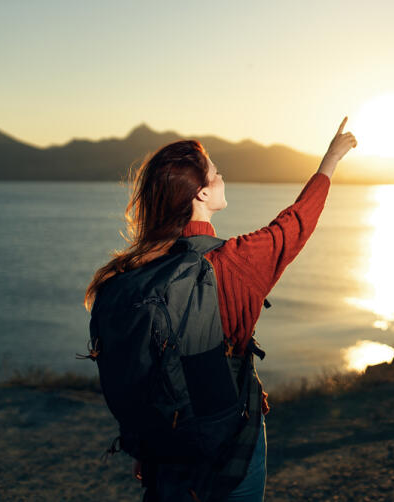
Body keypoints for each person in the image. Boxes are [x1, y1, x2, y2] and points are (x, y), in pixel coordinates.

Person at [84, 117, 356, 501]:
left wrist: (148, 446)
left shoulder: (131, 275)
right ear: (200, 195)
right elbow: (296, 222)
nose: (222, 178)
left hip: (165, 453)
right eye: (217, 174)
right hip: (230, 448)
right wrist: (330, 160)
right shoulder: (234, 262)